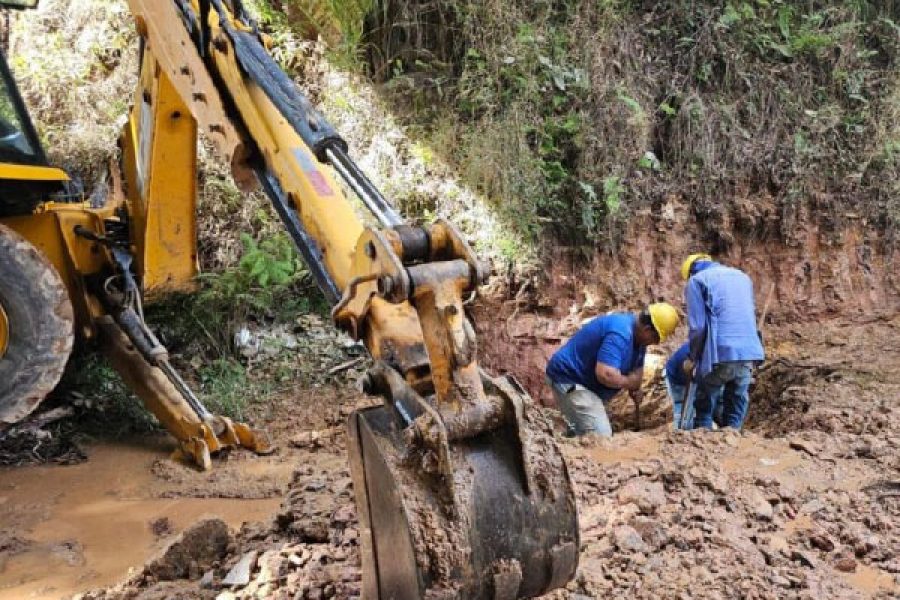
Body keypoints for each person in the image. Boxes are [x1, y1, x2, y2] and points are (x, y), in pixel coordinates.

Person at [546, 303, 679, 437]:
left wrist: (634, 385)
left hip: (586, 385)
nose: (656, 343)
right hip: (570, 379)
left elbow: (637, 372)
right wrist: (629, 382)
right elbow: (605, 374)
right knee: (601, 438)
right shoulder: (620, 334)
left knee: (581, 431)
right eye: (656, 338)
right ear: (647, 329)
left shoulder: (638, 339)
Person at [681, 254, 765, 430]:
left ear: (690, 272)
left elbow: (698, 327)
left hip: (720, 351)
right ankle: (733, 445)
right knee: (736, 405)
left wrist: (693, 358)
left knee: (705, 404)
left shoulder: (696, 281)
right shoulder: (743, 277)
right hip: (749, 351)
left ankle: (703, 444)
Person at [664, 340, 722, 429]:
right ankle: (681, 434)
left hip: (684, 371)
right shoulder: (704, 353)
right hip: (678, 378)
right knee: (684, 409)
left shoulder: (710, 345)